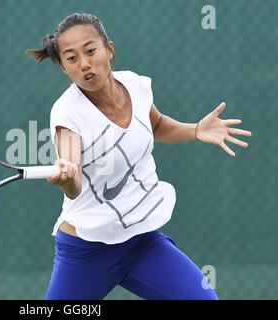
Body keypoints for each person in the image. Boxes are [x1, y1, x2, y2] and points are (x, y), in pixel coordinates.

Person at [26, 13, 251, 300]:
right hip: (87, 250)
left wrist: (195, 130)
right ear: (64, 68)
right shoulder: (67, 113)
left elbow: (155, 124)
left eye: (90, 51)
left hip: (140, 242)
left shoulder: (134, 85)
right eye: (71, 58)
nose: (84, 63)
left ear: (109, 49)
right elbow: (74, 183)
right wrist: (66, 179)